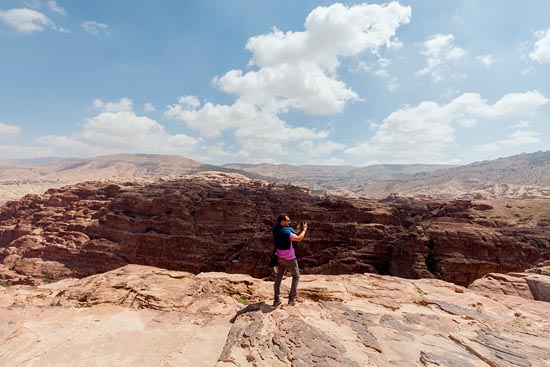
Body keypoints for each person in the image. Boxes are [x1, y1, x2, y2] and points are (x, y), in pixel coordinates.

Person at [272, 213, 308, 306]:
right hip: (290, 259)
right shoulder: (287, 232)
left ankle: (276, 299)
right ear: (282, 221)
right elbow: (298, 238)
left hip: (279, 257)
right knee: (296, 277)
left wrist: (296, 230)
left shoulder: (276, 229)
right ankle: (292, 299)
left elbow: (289, 237)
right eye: (287, 220)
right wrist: (304, 230)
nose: (289, 222)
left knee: (278, 277)